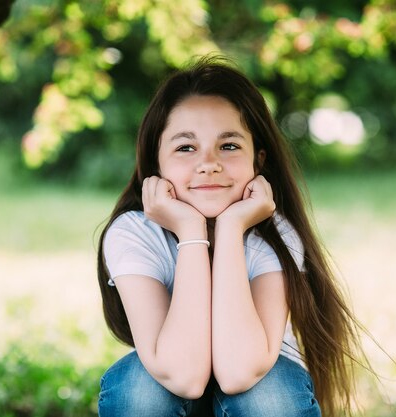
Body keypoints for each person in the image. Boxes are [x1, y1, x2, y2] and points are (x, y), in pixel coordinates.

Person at [96, 56, 364, 417]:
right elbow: (184, 377)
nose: (209, 163)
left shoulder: (275, 235)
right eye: (186, 147)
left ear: (259, 161)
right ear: (156, 164)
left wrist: (232, 228)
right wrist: (191, 232)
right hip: (171, 378)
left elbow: (239, 373)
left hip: (255, 385)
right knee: (139, 390)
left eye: (229, 146)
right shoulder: (134, 232)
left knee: (271, 396)